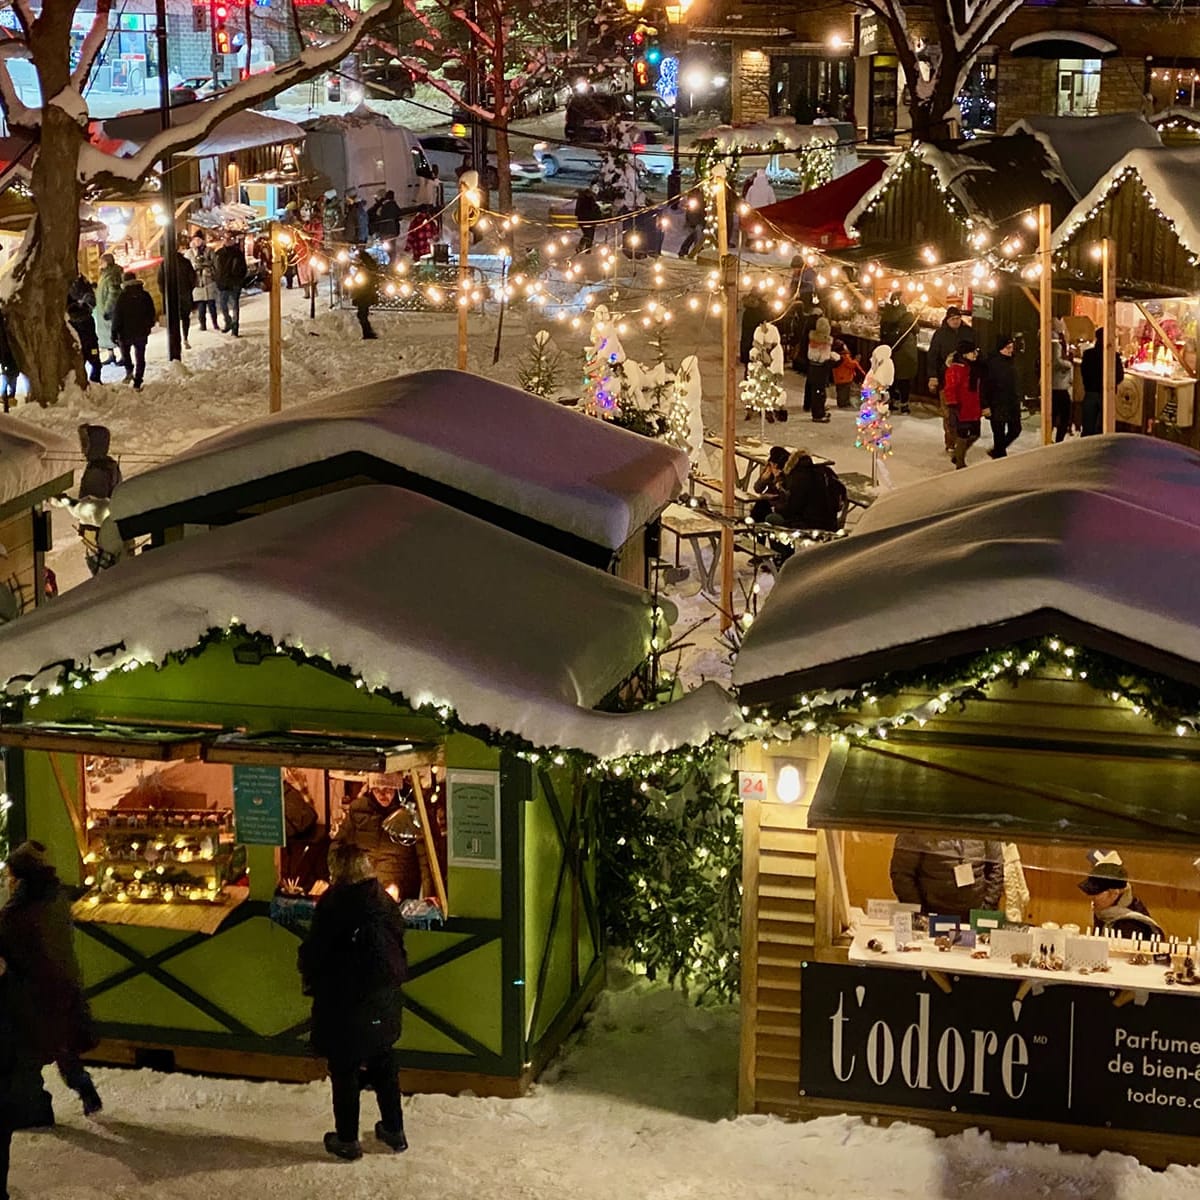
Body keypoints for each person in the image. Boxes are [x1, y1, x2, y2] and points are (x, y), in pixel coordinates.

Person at [298, 842, 408, 1161]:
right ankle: (394, 1130)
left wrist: (309, 972)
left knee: (345, 1068)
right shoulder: (383, 900)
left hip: (345, 1001)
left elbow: (317, 952)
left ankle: (347, 1140)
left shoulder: (334, 904)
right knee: (383, 1062)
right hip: (384, 1000)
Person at [0, 842, 102, 1125]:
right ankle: (84, 1088)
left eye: (10, 875)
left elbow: (14, 947)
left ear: (21, 878)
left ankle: (34, 1110)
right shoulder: (54, 898)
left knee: (29, 1053)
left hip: (35, 992)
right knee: (63, 1045)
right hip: (63, 985)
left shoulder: (19, 914)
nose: (8, 880)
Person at [889, 834, 1003, 920]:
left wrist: (987, 908)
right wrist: (921, 914)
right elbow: (902, 874)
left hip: (976, 915)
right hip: (932, 917)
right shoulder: (920, 825)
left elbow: (996, 867)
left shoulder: (980, 821)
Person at [1078, 851, 1163, 940]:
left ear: (1114, 894)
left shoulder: (1131, 926)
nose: (1092, 898)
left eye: (1096, 893)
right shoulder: (1104, 911)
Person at [927, 306, 975, 453]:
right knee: (949, 414)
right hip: (945, 380)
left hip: (965, 379)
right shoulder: (940, 335)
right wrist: (933, 376)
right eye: (953, 319)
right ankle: (950, 442)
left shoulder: (968, 332)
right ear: (947, 320)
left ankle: (962, 439)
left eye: (958, 319)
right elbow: (932, 356)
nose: (956, 321)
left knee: (963, 412)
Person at [768, 450, 845, 532]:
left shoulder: (798, 478)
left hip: (808, 526)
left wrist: (776, 508)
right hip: (831, 524)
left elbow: (792, 508)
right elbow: (842, 491)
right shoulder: (823, 472)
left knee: (770, 518)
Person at [110, 271, 156, 390]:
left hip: (125, 332)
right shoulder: (145, 295)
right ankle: (138, 380)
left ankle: (129, 371)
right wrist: (148, 326)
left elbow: (117, 316)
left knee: (125, 353)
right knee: (140, 355)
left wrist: (114, 332)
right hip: (141, 330)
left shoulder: (123, 297)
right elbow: (151, 312)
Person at [943, 341, 983, 469]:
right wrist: (953, 404)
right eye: (973, 352)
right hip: (961, 407)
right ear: (965, 354)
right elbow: (950, 388)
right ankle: (960, 461)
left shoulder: (974, 367)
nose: (975, 354)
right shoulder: (955, 369)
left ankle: (957, 454)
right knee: (963, 434)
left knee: (975, 433)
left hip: (973, 406)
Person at [981, 332, 1022, 458]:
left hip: (1011, 402)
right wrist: (985, 405)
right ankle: (999, 455)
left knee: (1015, 429)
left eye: (1011, 347)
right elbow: (984, 386)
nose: (1011, 350)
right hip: (997, 403)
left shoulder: (1012, 361)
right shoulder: (992, 363)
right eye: (1008, 348)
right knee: (998, 433)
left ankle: (998, 450)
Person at [1079, 328, 1123, 437]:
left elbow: (1084, 372)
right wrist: (1112, 385)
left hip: (1090, 392)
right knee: (1103, 429)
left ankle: (1085, 450)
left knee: (1088, 427)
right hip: (1106, 394)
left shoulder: (1088, 354)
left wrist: (1088, 384)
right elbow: (1120, 376)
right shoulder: (1113, 356)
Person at [877, 291, 916, 413]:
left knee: (891, 378)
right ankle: (904, 404)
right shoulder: (908, 316)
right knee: (904, 379)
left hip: (890, 350)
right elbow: (917, 329)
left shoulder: (886, 314)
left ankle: (891, 401)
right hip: (905, 353)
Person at [156, 244, 197, 349]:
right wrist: (189, 289)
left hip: (171, 295)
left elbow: (160, 281)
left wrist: (164, 293)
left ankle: (175, 340)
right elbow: (193, 278)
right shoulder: (185, 262)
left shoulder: (164, 264)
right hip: (185, 294)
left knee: (173, 319)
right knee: (185, 318)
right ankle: (185, 338)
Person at [66, 274, 103, 385]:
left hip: (82, 343)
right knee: (95, 361)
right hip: (90, 343)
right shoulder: (87, 317)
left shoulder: (73, 320)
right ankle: (94, 381)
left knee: (85, 362)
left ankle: (90, 382)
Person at [211, 234, 247, 337]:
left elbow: (243, 268)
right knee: (223, 305)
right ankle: (228, 321)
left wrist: (239, 279)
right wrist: (217, 278)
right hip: (223, 283)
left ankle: (235, 327)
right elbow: (214, 267)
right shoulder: (219, 253)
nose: (227, 240)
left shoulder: (238, 253)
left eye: (229, 239)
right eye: (225, 238)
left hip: (234, 283)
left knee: (234, 305)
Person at [94, 252, 124, 365]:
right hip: (103, 310)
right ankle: (111, 355)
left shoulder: (112, 275)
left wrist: (108, 308)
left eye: (102, 262)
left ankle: (123, 355)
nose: (100, 264)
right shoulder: (104, 274)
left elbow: (114, 293)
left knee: (115, 334)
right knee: (106, 335)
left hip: (109, 311)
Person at [187, 233, 219, 332]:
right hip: (197, 283)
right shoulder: (189, 253)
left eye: (199, 239)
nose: (197, 242)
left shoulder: (209, 251)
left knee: (212, 305)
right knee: (201, 307)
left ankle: (215, 323)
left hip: (208, 281)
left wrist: (207, 266)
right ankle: (203, 325)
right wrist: (195, 267)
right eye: (195, 240)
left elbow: (215, 264)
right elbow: (187, 267)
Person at [805, 316, 835, 422]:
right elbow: (821, 357)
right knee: (819, 393)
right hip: (820, 369)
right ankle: (818, 414)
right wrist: (830, 358)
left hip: (814, 368)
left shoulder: (813, 339)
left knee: (818, 392)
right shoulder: (823, 342)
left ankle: (820, 410)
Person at [750, 445, 789, 522]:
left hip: (780, 504)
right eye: (772, 464)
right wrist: (763, 479)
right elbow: (757, 489)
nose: (773, 466)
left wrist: (778, 479)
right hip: (768, 502)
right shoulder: (769, 469)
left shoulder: (787, 473)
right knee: (760, 505)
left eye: (774, 464)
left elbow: (786, 495)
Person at [1050, 322, 1074, 442]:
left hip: (1057, 384)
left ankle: (1051, 438)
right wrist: (1069, 364)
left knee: (1055, 413)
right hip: (1059, 384)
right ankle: (1058, 440)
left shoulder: (1056, 340)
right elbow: (1056, 362)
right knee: (1064, 415)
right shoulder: (1055, 342)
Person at [350, 249, 379, 340]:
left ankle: (368, 332)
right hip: (364, 295)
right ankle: (367, 332)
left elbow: (361, 285)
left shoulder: (364, 272)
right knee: (362, 314)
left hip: (363, 295)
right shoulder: (366, 270)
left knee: (362, 314)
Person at [831, 337, 862, 408]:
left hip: (838, 378)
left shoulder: (836, 356)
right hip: (845, 377)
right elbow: (851, 364)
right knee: (844, 391)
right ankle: (843, 403)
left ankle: (841, 402)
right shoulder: (845, 357)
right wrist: (857, 360)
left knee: (840, 391)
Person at [575, 188, 602, 253]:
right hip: (588, 219)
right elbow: (594, 209)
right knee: (588, 234)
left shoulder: (582, 199)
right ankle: (586, 247)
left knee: (588, 234)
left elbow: (578, 210)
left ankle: (586, 247)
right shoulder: (587, 200)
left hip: (586, 220)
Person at [678, 192, 705, 258]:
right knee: (695, 234)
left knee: (695, 234)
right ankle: (696, 249)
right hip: (695, 217)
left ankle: (686, 249)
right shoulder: (694, 194)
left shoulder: (702, 194)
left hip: (700, 217)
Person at [0, 312, 18, 410]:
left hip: (8, 364)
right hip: (10, 365)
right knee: (9, 384)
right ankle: (8, 401)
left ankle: (8, 401)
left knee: (7, 383)